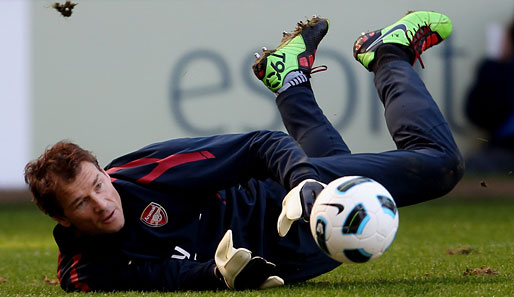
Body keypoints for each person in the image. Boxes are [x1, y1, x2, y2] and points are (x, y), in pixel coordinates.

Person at [24, 11, 464, 292]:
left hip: (277, 198)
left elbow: (259, 146)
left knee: (441, 165)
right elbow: (153, 277)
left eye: (98, 184)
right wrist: (217, 276)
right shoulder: (82, 269)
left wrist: (302, 182)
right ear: (62, 219)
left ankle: (387, 53)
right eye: (82, 202)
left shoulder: (147, 174)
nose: (102, 203)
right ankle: (289, 80)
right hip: (286, 261)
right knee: (338, 161)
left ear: (103, 171)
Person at [465, 18, 514, 173]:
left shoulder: (498, 70)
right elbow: (476, 114)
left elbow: (475, 114)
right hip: (505, 151)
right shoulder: (499, 71)